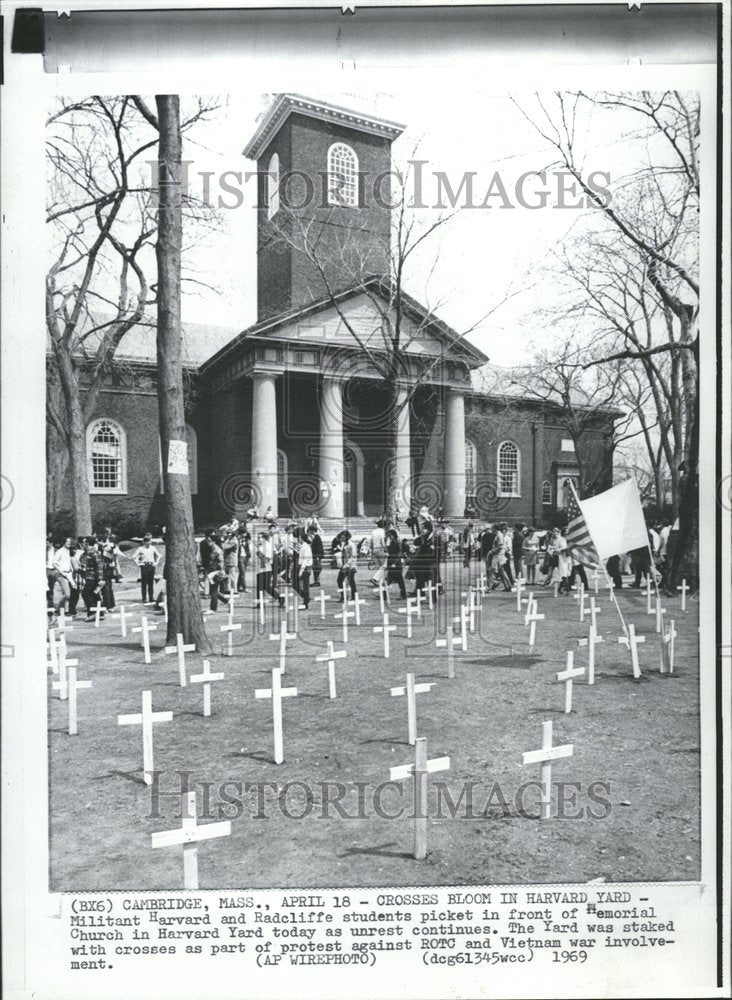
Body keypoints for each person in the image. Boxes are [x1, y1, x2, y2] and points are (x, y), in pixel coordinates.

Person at [255, 529, 285, 607]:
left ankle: (279, 597)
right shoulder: (259, 546)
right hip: (259, 569)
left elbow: (268, 558)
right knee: (259, 587)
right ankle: (260, 603)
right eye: (258, 537)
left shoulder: (268, 545)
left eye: (260, 537)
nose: (258, 539)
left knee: (266, 586)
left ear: (264, 538)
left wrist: (260, 554)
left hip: (266, 569)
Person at [79, 536, 106, 620]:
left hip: (93, 577)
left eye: (84, 542)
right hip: (88, 576)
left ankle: (92, 613)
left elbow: (99, 566)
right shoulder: (85, 553)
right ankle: (100, 613)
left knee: (85, 593)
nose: (82, 544)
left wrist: (100, 579)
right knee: (95, 594)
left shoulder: (94, 552)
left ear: (87, 543)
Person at [51, 537, 76, 621]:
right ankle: (57, 610)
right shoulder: (59, 551)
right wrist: (61, 571)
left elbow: (67, 561)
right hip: (62, 575)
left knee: (68, 594)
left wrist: (71, 569)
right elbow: (54, 563)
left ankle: (64, 611)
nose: (69, 543)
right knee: (67, 594)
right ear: (63, 542)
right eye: (67, 541)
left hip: (68, 574)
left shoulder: (67, 551)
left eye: (70, 541)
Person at [133, 533, 161, 604]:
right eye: (148, 542)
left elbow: (159, 555)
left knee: (151, 582)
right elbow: (134, 556)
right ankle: (144, 598)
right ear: (144, 542)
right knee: (144, 582)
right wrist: (139, 563)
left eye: (150, 542)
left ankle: (151, 597)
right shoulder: (141, 548)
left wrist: (156, 563)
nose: (149, 543)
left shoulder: (153, 548)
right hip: (144, 566)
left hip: (151, 565)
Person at [207, 534, 229, 612]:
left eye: (209, 541)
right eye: (207, 540)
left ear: (214, 541)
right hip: (211, 570)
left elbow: (221, 561)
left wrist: (221, 571)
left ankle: (213, 608)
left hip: (216, 571)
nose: (207, 542)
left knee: (213, 590)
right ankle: (227, 601)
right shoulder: (211, 549)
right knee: (213, 591)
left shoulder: (217, 550)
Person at [385, 528, 407, 599]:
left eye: (390, 536)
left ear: (393, 535)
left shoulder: (398, 542)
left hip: (396, 563)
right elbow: (388, 552)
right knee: (389, 579)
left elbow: (400, 553)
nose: (389, 537)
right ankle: (384, 594)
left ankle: (403, 594)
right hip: (391, 562)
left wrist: (395, 562)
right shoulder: (391, 543)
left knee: (399, 579)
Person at [336, 531, 358, 600]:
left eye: (342, 536)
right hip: (345, 565)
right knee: (340, 580)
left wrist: (346, 564)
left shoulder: (351, 545)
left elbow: (353, 556)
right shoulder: (344, 545)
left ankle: (353, 597)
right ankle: (344, 596)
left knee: (351, 581)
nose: (341, 538)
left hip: (350, 566)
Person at [296, 529, 313, 610]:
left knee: (305, 585)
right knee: (300, 584)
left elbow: (305, 560)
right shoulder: (303, 546)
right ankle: (306, 597)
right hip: (303, 566)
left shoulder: (306, 547)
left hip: (305, 567)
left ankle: (306, 601)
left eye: (299, 538)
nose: (298, 539)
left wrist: (301, 570)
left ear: (302, 538)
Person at [369, 519, 387, 588]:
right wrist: (385, 549)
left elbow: (371, 541)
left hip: (374, 549)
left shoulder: (373, 531)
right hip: (380, 549)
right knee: (384, 565)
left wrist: (371, 551)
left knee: (380, 567)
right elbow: (382, 542)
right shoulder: (382, 531)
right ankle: (375, 578)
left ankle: (381, 582)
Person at [222, 529, 239, 596]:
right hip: (227, 560)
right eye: (228, 533)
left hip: (232, 560)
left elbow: (224, 547)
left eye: (230, 533)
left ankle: (234, 590)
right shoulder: (229, 540)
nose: (229, 534)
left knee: (232, 576)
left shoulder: (234, 541)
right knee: (226, 576)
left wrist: (225, 542)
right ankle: (227, 589)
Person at [556, 528, 572, 594]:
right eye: (566, 532)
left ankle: (559, 588)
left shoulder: (570, 539)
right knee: (564, 574)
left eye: (568, 532)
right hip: (562, 558)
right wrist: (562, 550)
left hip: (569, 558)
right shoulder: (560, 539)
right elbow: (556, 549)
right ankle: (568, 590)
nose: (567, 533)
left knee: (568, 573)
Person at [236, 523, 251, 592]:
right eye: (244, 533)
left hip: (246, 557)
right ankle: (245, 588)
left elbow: (248, 549)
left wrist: (249, 557)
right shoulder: (237, 540)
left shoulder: (247, 540)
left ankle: (238, 586)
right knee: (242, 573)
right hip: (240, 557)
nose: (245, 534)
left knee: (242, 572)